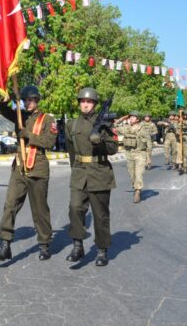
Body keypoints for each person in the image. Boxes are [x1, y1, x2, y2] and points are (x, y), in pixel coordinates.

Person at [0, 86, 56, 262]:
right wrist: (4, 99)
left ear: (37, 101)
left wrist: (28, 135)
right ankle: (5, 244)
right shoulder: (20, 115)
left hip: (38, 167)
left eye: (31, 100)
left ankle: (44, 244)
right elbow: (2, 109)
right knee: (10, 205)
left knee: (39, 209)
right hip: (20, 167)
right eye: (25, 100)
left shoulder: (47, 119)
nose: (28, 103)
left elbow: (50, 142)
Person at [65, 87, 118, 266]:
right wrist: (75, 169)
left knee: (100, 214)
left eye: (89, 102)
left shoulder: (104, 122)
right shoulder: (71, 124)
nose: (85, 104)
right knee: (74, 208)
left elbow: (113, 149)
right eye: (82, 101)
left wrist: (101, 142)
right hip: (80, 172)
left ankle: (102, 250)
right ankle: (77, 245)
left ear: (94, 104)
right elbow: (71, 150)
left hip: (100, 172)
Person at [115, 112, 148, 204]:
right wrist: (122, 118)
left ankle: (138, 191)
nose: (131, 118)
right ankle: (135, 187)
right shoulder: (126, 128)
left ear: (138, 119)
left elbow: (148, 142)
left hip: (140, 153)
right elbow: (114, 126)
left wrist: (149, 157)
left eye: (133, 117)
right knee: (132, 174)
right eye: (130, 117)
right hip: (129, 153)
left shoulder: (143, 128)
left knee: (139, 173)